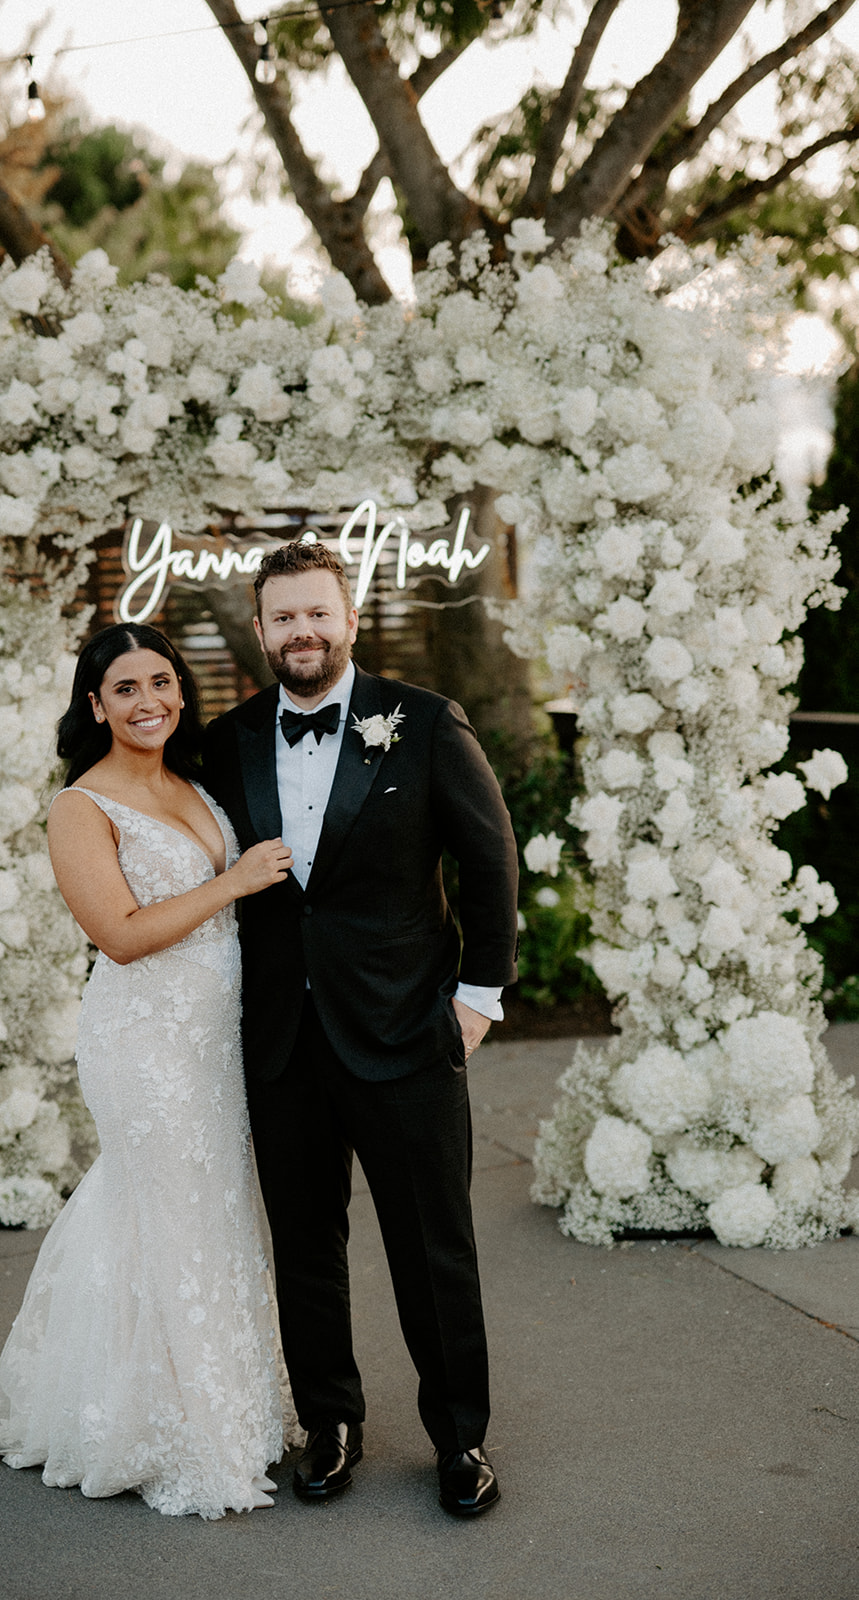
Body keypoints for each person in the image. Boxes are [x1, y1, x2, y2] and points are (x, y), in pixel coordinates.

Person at [200, 540, 519, 1517]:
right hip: (283, 1043)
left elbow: (488, 859)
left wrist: (476, 1000)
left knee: (433, 1246)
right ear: (259, 631)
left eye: (316, 613)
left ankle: (458, 1437)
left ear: (348, 617)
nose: (301, 631)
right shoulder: (229, 737)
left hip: (405, 1035)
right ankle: (329, 1422)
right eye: (282, 617)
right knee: (302, 1244)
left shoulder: (422, 723)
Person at [0, 622, 297, 1519]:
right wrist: (234, 881)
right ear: (95, 706)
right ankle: (161, 1430)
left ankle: (219, 1407)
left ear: (180, 690)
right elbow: (119, 934)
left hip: (214, 1034)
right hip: (142, 1040)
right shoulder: (82, 805)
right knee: (164, 1207)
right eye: (125, 689)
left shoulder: (192, 781)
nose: (149, 701)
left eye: (162, 682)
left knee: (213, 1205)